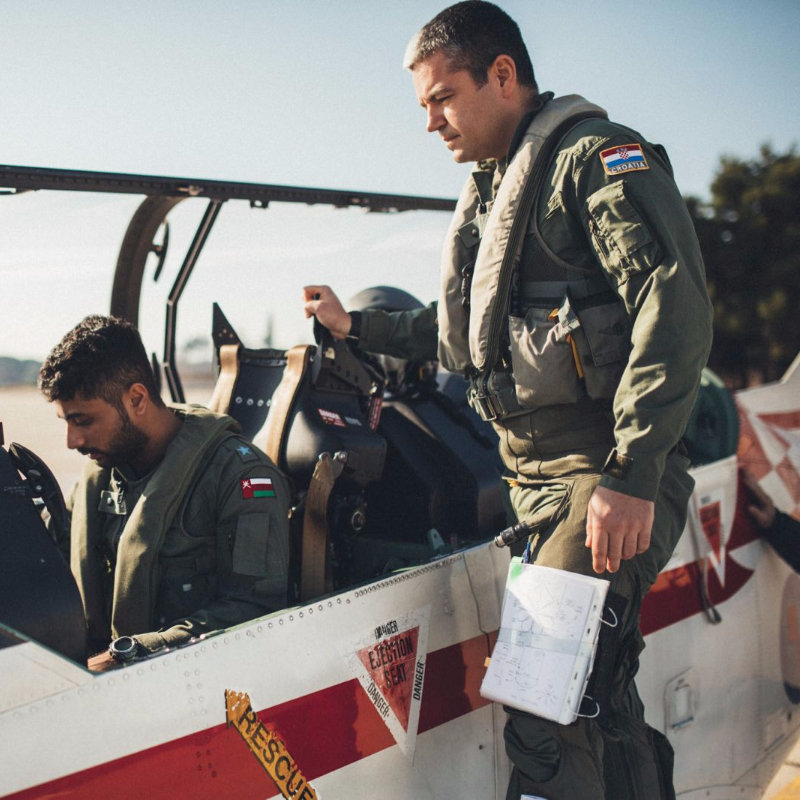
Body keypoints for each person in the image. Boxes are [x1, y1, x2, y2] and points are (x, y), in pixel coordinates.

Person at [303, 3, 711, 797]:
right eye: (423, 105)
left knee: (541, 698)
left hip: (604, 475)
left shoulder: (594, 161)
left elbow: (675, 310)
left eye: (442, 98)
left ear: (501, 74)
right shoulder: (496, 189)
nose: (430, 122)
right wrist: (357, 327)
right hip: (536, 487)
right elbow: (465, 335)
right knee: (594, 703)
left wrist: (631, 475)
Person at [39, 315, 290, 671]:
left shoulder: (238, 478)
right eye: (66, 422)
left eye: (83, 421)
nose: (72, 441)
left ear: (137, 399)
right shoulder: (100, 477)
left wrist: (127, 656)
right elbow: (45, 554)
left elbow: (256, 610)